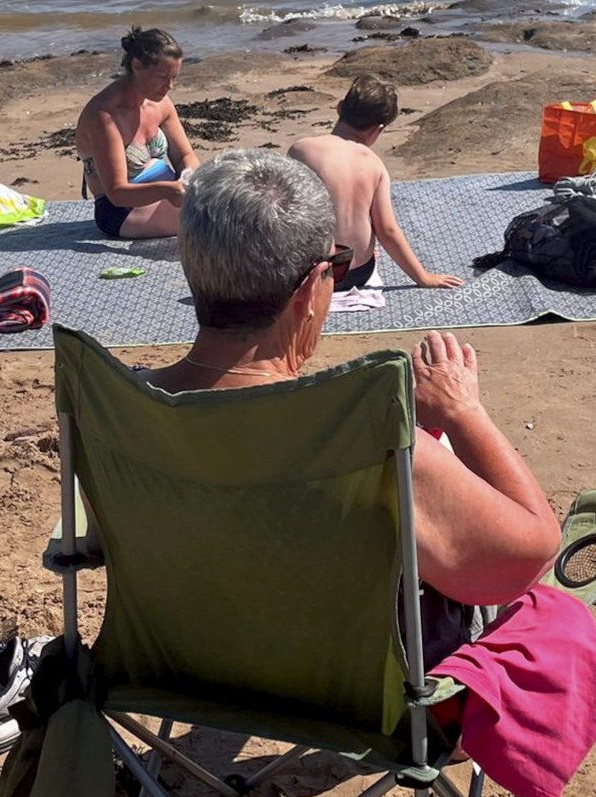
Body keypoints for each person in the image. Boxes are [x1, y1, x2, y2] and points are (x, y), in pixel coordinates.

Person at [144, 151, 558, 619]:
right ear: (313, 285)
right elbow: (528, 559)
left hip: (170, 662)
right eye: (337, 266)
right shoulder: (362, 432)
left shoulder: (121, 403)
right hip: (327, 680)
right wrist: (463, 413)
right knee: (560, 621)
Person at [288, 73, 463, 291]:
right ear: (378, 130)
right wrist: (423, 277)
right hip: (356, 274)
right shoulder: (374, 165)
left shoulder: (301, 150)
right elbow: (387, 230)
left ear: (340, 108)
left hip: (312, 275)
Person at [76, 26, 201, 239]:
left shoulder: (160, 104)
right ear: (137, 66)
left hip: (165, 196)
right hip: (121, 211)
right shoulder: (104, 115)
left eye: (174, 77)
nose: (169, 86)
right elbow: (117, 192)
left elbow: (184, 156)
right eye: (162, 77)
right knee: (214, 222)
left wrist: (187, 174)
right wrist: (169, 191)